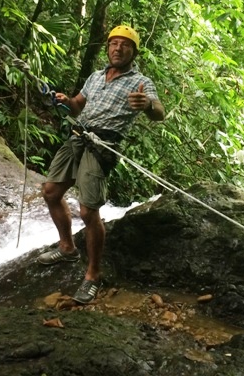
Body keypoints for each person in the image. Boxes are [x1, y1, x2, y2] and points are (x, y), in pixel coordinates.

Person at [37, 24, 165, 304]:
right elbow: (77, 106)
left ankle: (93, 274)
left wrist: (146, 105)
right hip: (77, 137)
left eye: (125, 45)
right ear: (108, 48)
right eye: (113, 44)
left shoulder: (140, 82)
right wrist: (63, 100)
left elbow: (159, 112)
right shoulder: (95, 77)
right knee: (50, 192)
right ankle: (67, 247)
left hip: (102, 145)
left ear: (134, 51)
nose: (118, 48)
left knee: (87, 210)